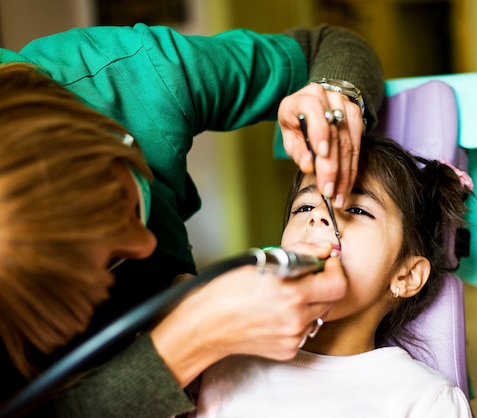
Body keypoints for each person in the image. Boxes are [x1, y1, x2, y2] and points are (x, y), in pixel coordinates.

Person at [0, 22, 383, 417]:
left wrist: (334, 99)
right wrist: (185, 343)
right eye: (303, 207)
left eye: (127, 202)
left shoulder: (132, 72)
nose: (147, 245)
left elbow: (330, 46)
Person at [187, 135, 473, 417]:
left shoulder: (426, 401)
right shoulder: (218, 359)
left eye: (357, 209)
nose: (319, 216)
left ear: (406, 276)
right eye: (305, 207)